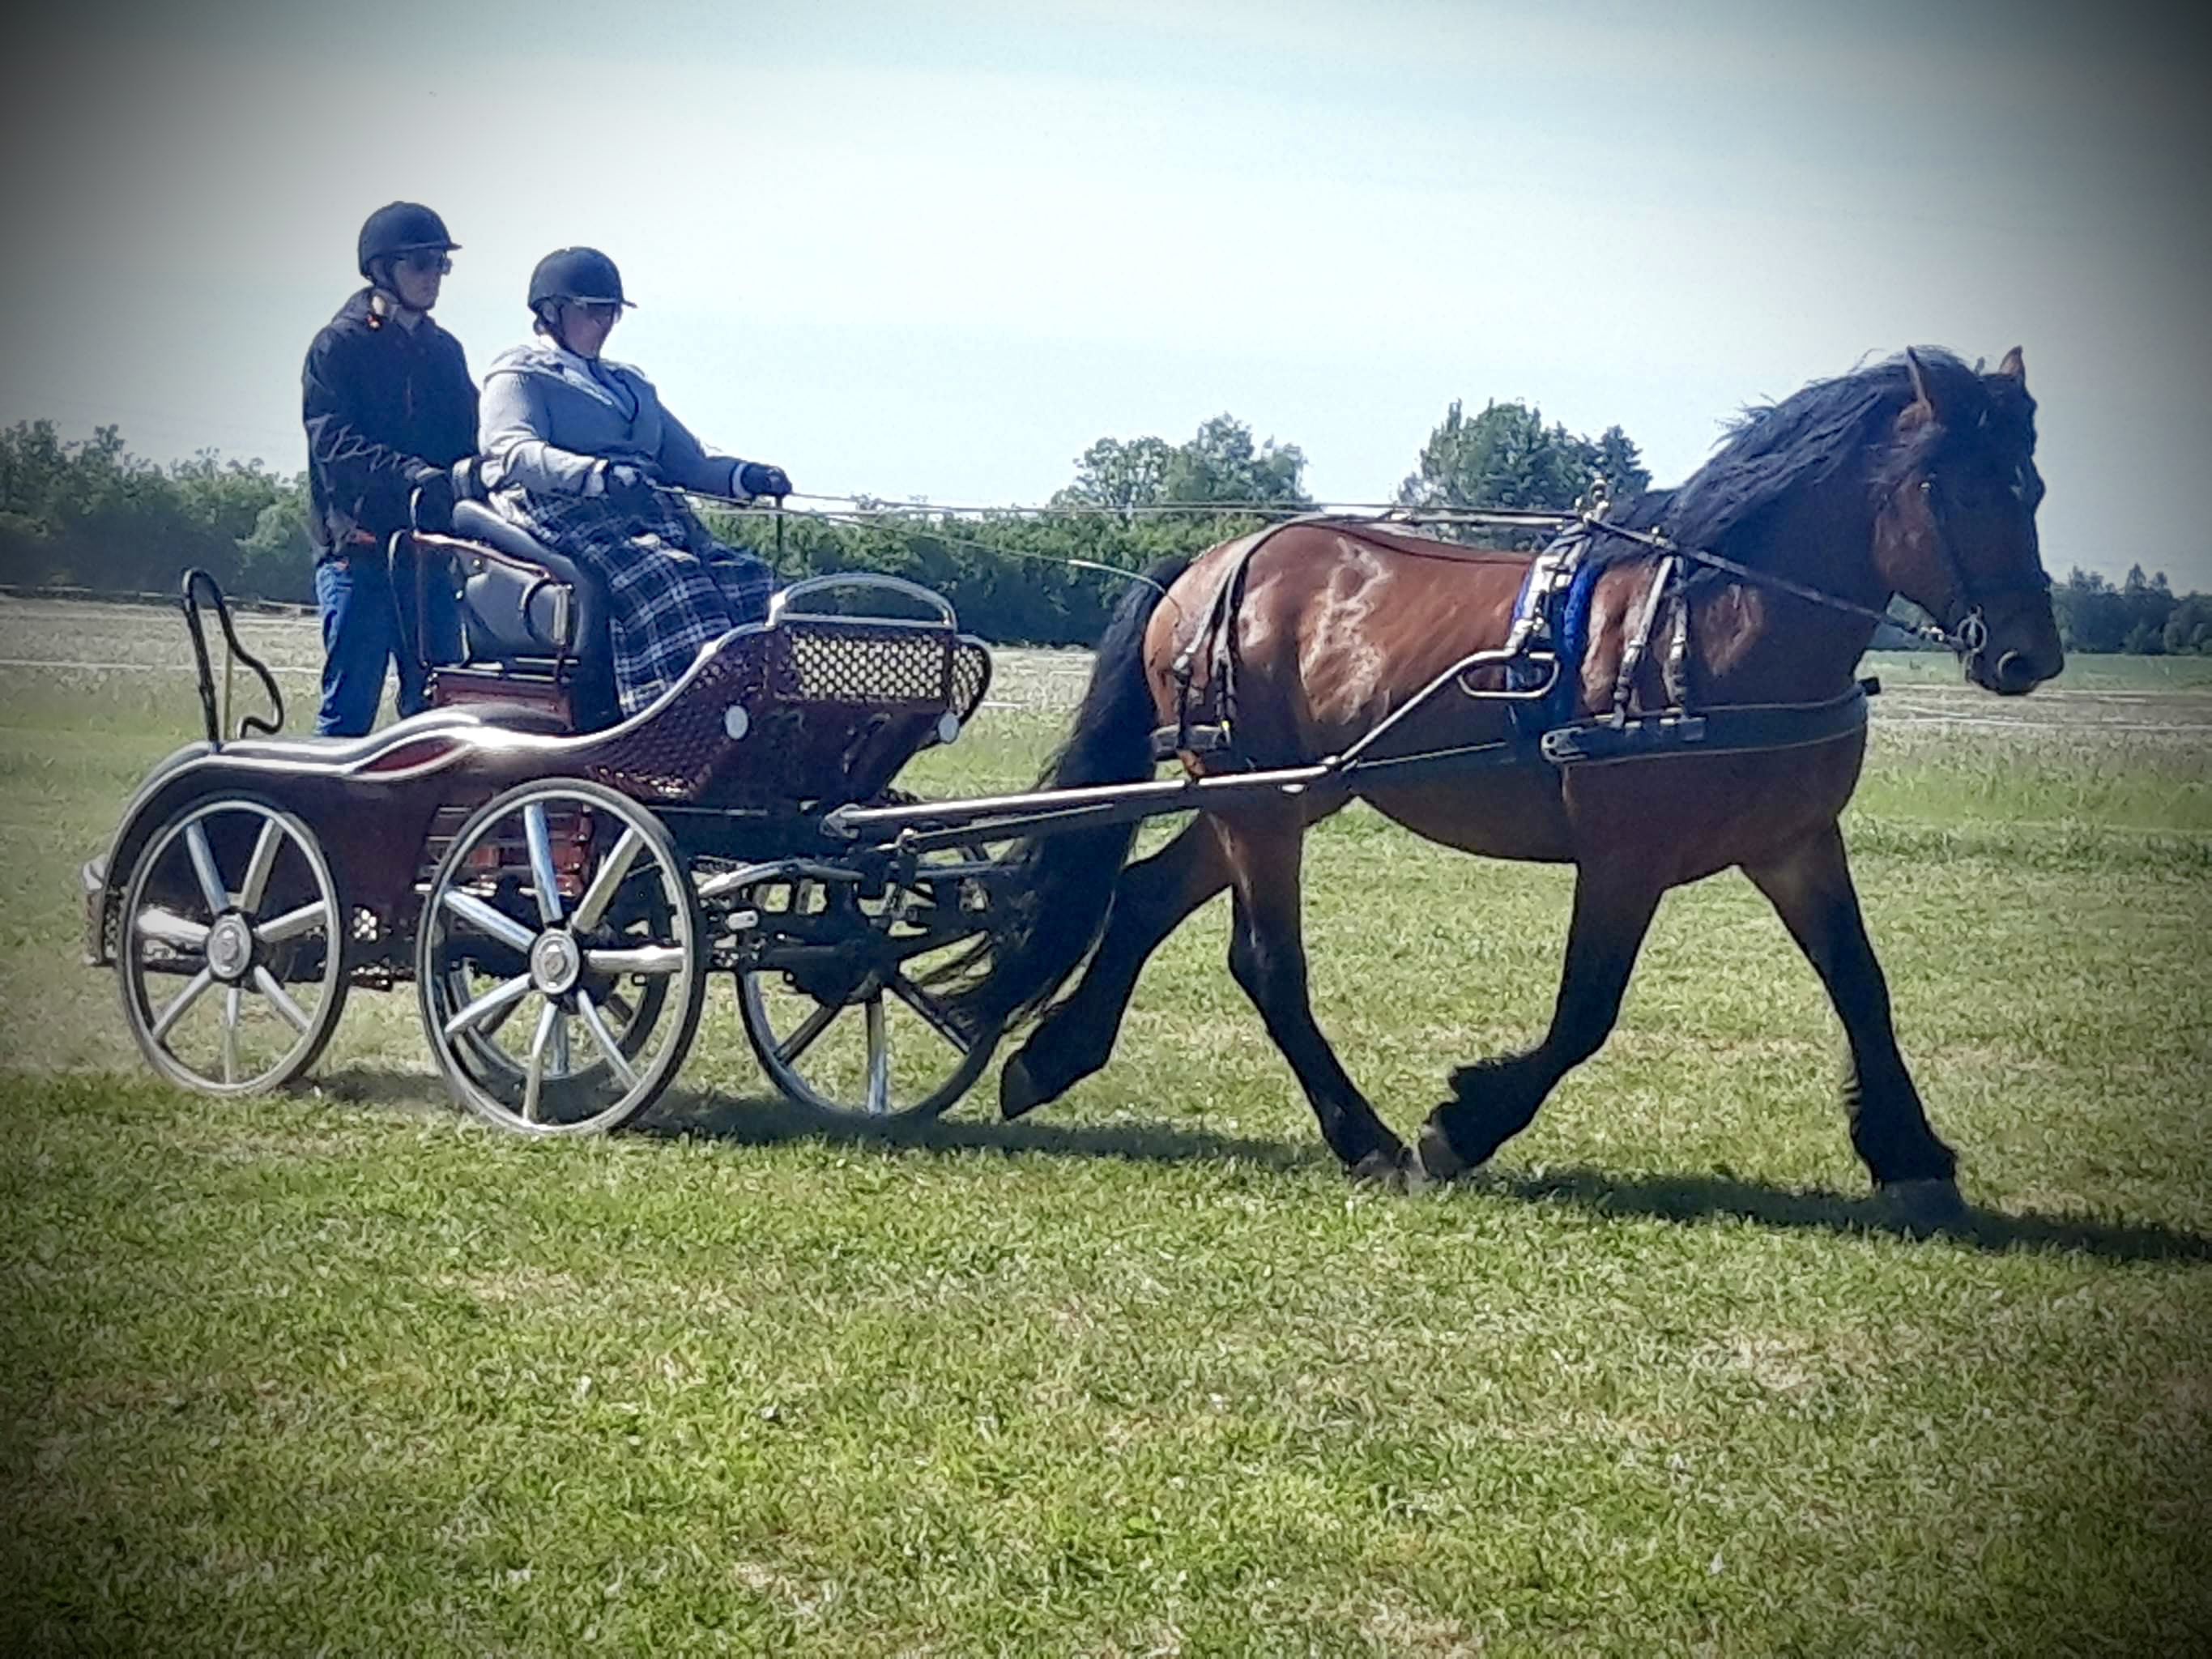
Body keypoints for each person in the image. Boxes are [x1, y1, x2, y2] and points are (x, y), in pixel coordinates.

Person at [477, 246, 790, 718]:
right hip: (566, 515)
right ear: (551, 311)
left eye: (613, 312)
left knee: (752, 581)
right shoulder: (519, 375)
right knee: (676, 580)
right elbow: (513, 451)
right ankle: (682, 716)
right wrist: (596, 476)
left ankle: (770, 709)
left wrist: (745, 477)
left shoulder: (629, 384)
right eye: (593, 310)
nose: (605, 323)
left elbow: (689, 462)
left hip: (647, 516)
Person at [300, 202, 477, 736]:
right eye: (419, 264)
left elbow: (468, 440)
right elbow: (333, 443)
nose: (433, 277)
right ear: (382, 269)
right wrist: (410, 474)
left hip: (428, 557)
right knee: (349, 710)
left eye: (440, 265)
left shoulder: (445, 352)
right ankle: (321, 819)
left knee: (440, 715)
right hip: (361, 553)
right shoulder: (338, 346)